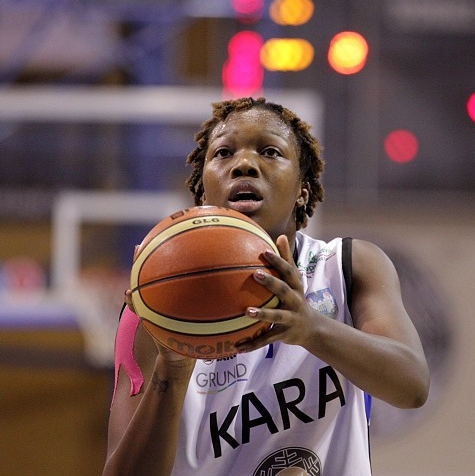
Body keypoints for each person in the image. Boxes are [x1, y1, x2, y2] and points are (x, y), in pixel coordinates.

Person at [103, 97, 430, 475]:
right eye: (223, 152)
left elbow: (412, 386)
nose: (243, 163)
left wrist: (312, 328)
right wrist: (172, 371)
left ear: (303, 189)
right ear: (203, 190)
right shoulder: (155, 306)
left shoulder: (347, 267)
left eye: (270, 151)